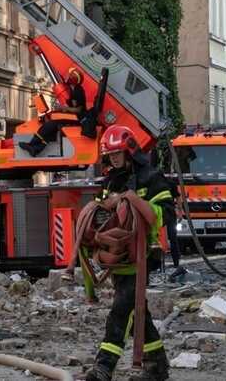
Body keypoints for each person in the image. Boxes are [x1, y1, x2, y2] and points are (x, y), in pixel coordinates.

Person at [85, 125, 173, 381]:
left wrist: (135, 203)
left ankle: (104, 366)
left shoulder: (151, 177)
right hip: (119, 257)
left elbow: (166, 212)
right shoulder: (111, 179)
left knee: (121, 309)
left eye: (117, 154)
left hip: (143, 255)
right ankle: (157, 366)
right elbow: (102, 215)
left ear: (130, 151)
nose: (113, 159)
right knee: (137, 313)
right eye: (110, 155)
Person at [19, 68, 88, 157]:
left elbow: (78, 110)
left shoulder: (77, 91)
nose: (67, 77)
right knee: (52, 128)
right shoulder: (74, 89)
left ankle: (32, 143)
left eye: (69, 75)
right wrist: (63, 109)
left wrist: (64, 108)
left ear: (73, 79)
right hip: (76, 118)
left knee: (50, 125)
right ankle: (37, 149)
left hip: (78, 119)